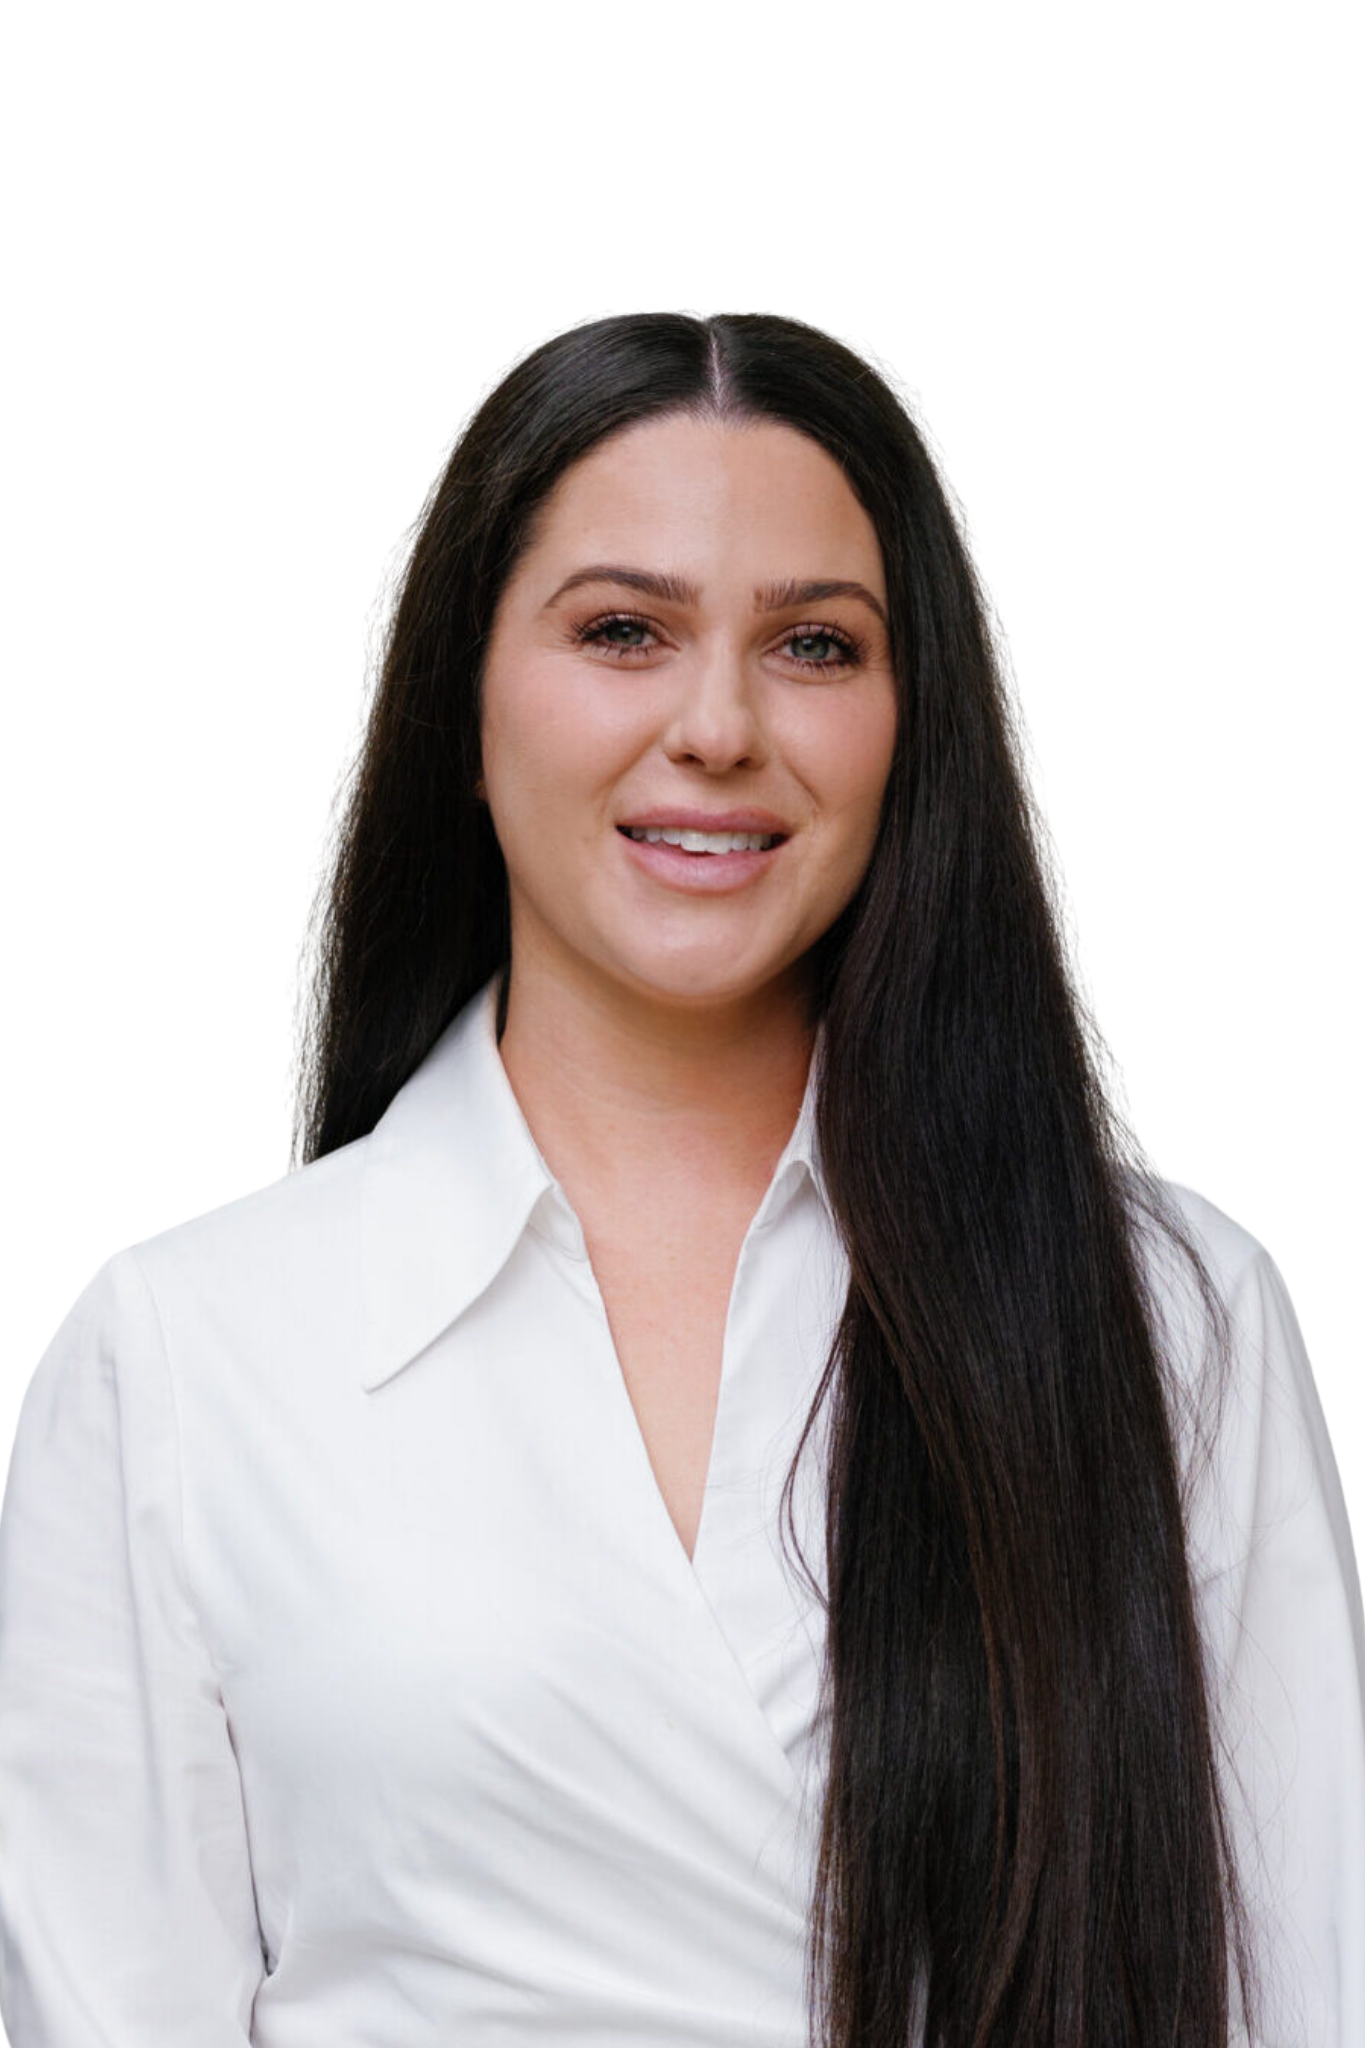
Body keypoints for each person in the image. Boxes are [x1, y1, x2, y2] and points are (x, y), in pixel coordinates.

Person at [1, 310, 1360, 2047]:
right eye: (624, 631)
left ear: (909, 718)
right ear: (462, 695)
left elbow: (1306, 1992)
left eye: (814, 644)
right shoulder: (181, 1359)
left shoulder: (1173, 1307)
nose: (717, 725)